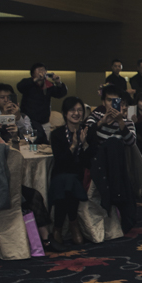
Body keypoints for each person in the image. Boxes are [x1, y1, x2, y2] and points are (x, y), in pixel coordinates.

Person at [48, 97, 90, 247]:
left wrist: (84, 145)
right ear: (65, 113)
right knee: (66, 181)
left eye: (79, 110)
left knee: (68, 182)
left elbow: (89, 161)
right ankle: (73, 224)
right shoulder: (57, 134)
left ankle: (57, 227)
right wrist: (72, 146)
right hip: (62, 172)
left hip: (80, 173)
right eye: (72, 110)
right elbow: (60, 161)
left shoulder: (87, 131)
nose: (76, 113)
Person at [16, 63, 67, 132]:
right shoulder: (27, 82)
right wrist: (36, 79)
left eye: (43, 70)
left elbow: (60, 94)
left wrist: (58, 82)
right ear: (33, 73)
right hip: (28, 122)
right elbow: (20, 87)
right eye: (39, 70)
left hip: (44, 122)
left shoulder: (49, 85)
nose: (42, 72)